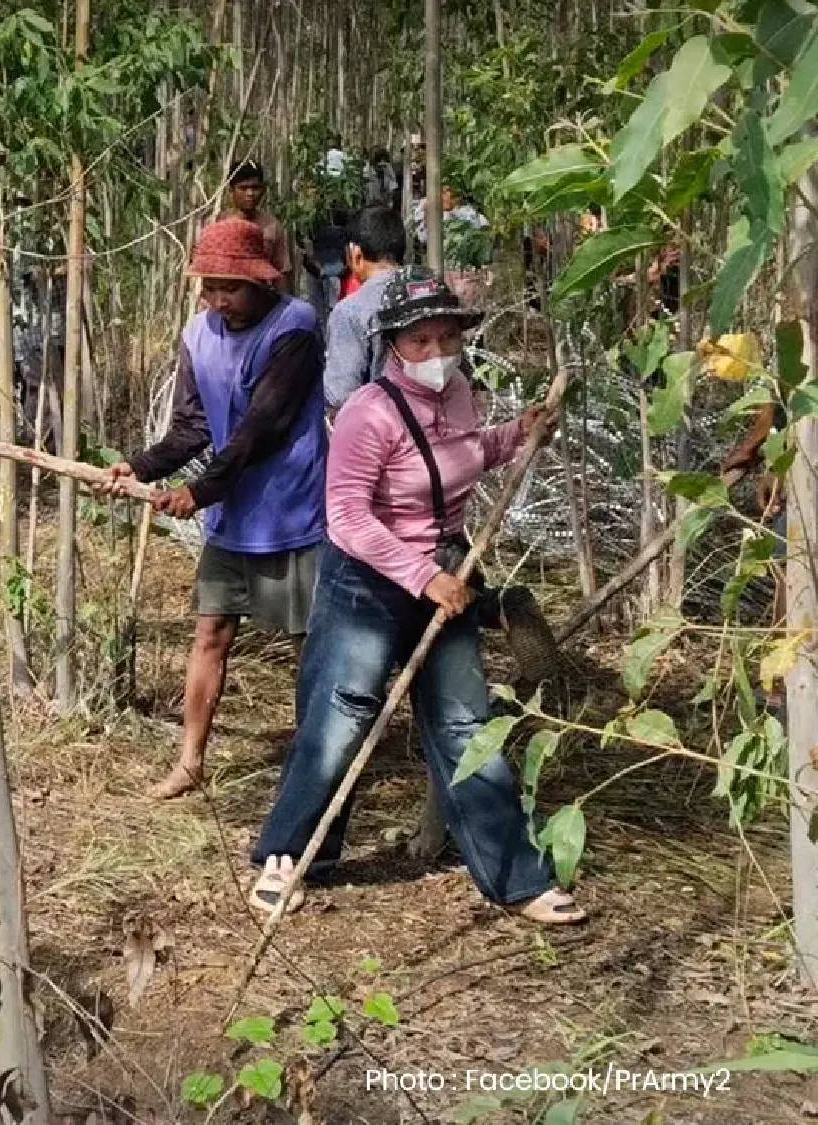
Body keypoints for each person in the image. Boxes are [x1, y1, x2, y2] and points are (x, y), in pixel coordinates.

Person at [246, 269, 584, 925]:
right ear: (393, 345)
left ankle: (518, 877)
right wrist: (418, 573)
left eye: (446, 337)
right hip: (367, 582)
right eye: (419, 340)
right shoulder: (367, 413)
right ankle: (287, 855)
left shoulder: (460, 395)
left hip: (447, 576)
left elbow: (463, 455)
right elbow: (345, 515)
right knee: (340, 720)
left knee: (466, 725)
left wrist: (518, 434)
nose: (434, 353)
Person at [95, 218, 327, 801]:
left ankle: (314, 765)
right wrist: (142, 467)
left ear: (261, 282)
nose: (221, 300)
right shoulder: (199, 334)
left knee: (308, 644)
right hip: (232, 514)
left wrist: (198, 493)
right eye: (211, 287)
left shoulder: (294, 328)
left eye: (233, 287)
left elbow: (264, 429)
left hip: (291, 509)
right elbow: (195, 425)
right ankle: (190, 761)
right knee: (211, 633)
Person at [323, 207, 407, 409]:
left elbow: (341, 393)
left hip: (382, 427)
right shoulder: (432, 290)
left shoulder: (351, 311)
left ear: (356, 254)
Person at [219, 162, 292, 289]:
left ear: (263, 190)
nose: (250, 194)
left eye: (255, 188)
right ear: (231, 190)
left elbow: (281, 271)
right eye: (243, 188)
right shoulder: (219, 223)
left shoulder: (272, 226)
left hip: (261, 296)